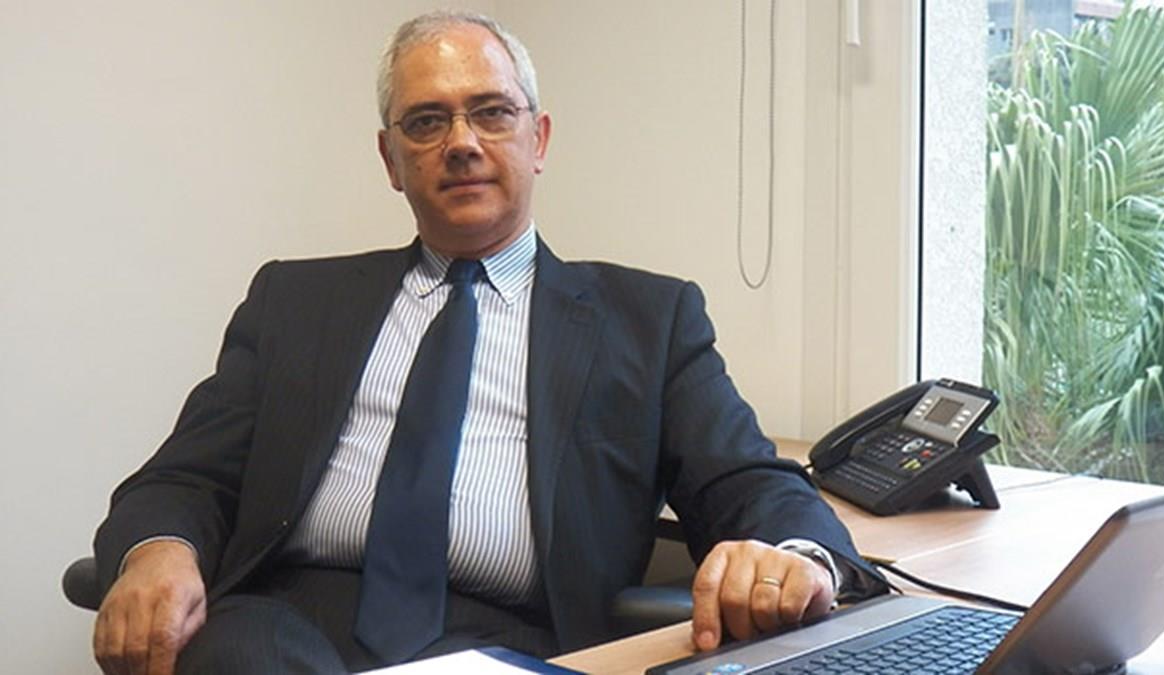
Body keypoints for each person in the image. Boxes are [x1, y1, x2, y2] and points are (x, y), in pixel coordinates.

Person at [90, 10, 887, 675]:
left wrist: (797, 557)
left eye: (492, 112)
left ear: (538, 139)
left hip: (515, 639)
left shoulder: (649, 320)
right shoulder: (295, 301)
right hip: (288, 624)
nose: (462, 142)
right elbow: (184, 477)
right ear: (391, 159)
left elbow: (749, 482)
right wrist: (159, 549)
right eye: (426, 121)